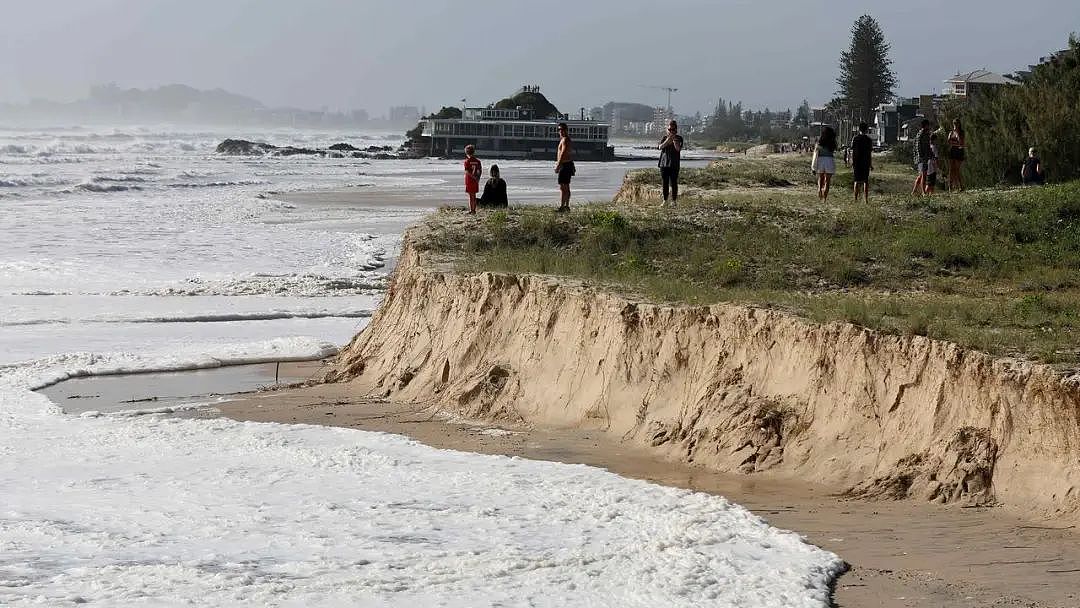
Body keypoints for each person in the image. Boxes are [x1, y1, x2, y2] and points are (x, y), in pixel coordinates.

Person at [658, 120, 684, 205]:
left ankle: (674, 201)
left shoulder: (679, 138)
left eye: (673, 130)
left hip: (674, 164)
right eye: (669, 129)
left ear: (676, 130)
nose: (671, 131)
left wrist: (674, 141)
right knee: (664, 182)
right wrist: (668, 140)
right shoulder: (664, 138)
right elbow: (660, 147)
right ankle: (665, 200)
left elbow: (678, 149)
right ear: (667, 129)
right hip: (664, 163)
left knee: (673, 182)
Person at [850, 122, 873, 203]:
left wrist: (852, 162)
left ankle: (855, 199)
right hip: (865, 162)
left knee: (856, 181)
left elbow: (852, 152)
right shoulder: (869, 140)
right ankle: (866, 199)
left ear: (859, 129)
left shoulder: (855, 138)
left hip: (857, 162)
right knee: (865, 181)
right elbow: (869, 153)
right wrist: (870, 164)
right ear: (866, 130)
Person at [812, 126, 837, 201]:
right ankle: (825, 198)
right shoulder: (833, 142)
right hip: (829, 160)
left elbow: (816, 152)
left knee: (821, 177)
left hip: (820, 160)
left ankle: (819, 189)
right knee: (827, 181)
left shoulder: (820, 142)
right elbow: (835, 150)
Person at [555, 122, 574, 211]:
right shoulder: (564, 139)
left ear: (566, 130)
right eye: (559, 130)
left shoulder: (565, 139)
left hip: (565, 165)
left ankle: (563, 206)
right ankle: (565, 205)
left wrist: (558, 165)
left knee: (563, 187)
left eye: (562, 129)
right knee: (565, 186)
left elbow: (564, 152)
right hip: (566, 164)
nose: (561, 131)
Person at [911, 120, 932, 196]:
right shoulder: (922, 134)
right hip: (922, 158)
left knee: (920, 175)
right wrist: (922, 156)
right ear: (926, 125)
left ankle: (914, 192)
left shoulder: (922, 133)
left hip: (922, 157)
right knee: (924, 174)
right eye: (928, 125)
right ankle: (923, 192)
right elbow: (918, 146)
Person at [947, 118, 966, 192]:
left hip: (959, 151)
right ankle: (950, 187)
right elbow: (948, 141)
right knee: (951, 169)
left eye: (956, 124)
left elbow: (961, 142)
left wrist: (957, 133)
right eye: (954, 124)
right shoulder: (951, 132)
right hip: (952, 151)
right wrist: (956, 143)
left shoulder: (961, 132)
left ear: (959, 124)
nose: (955, 125)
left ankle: (961, 186)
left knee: (957, 170)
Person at [463, 144, 482, 214]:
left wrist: (473, 177)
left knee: (471, 196)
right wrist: (478, 178)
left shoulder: (467, 161)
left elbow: (467, 171)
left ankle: (472, 210)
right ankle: (473, 209)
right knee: (474, 195)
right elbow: (480, 171)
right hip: (476, 180)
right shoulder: (478, 161)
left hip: (470, 180)